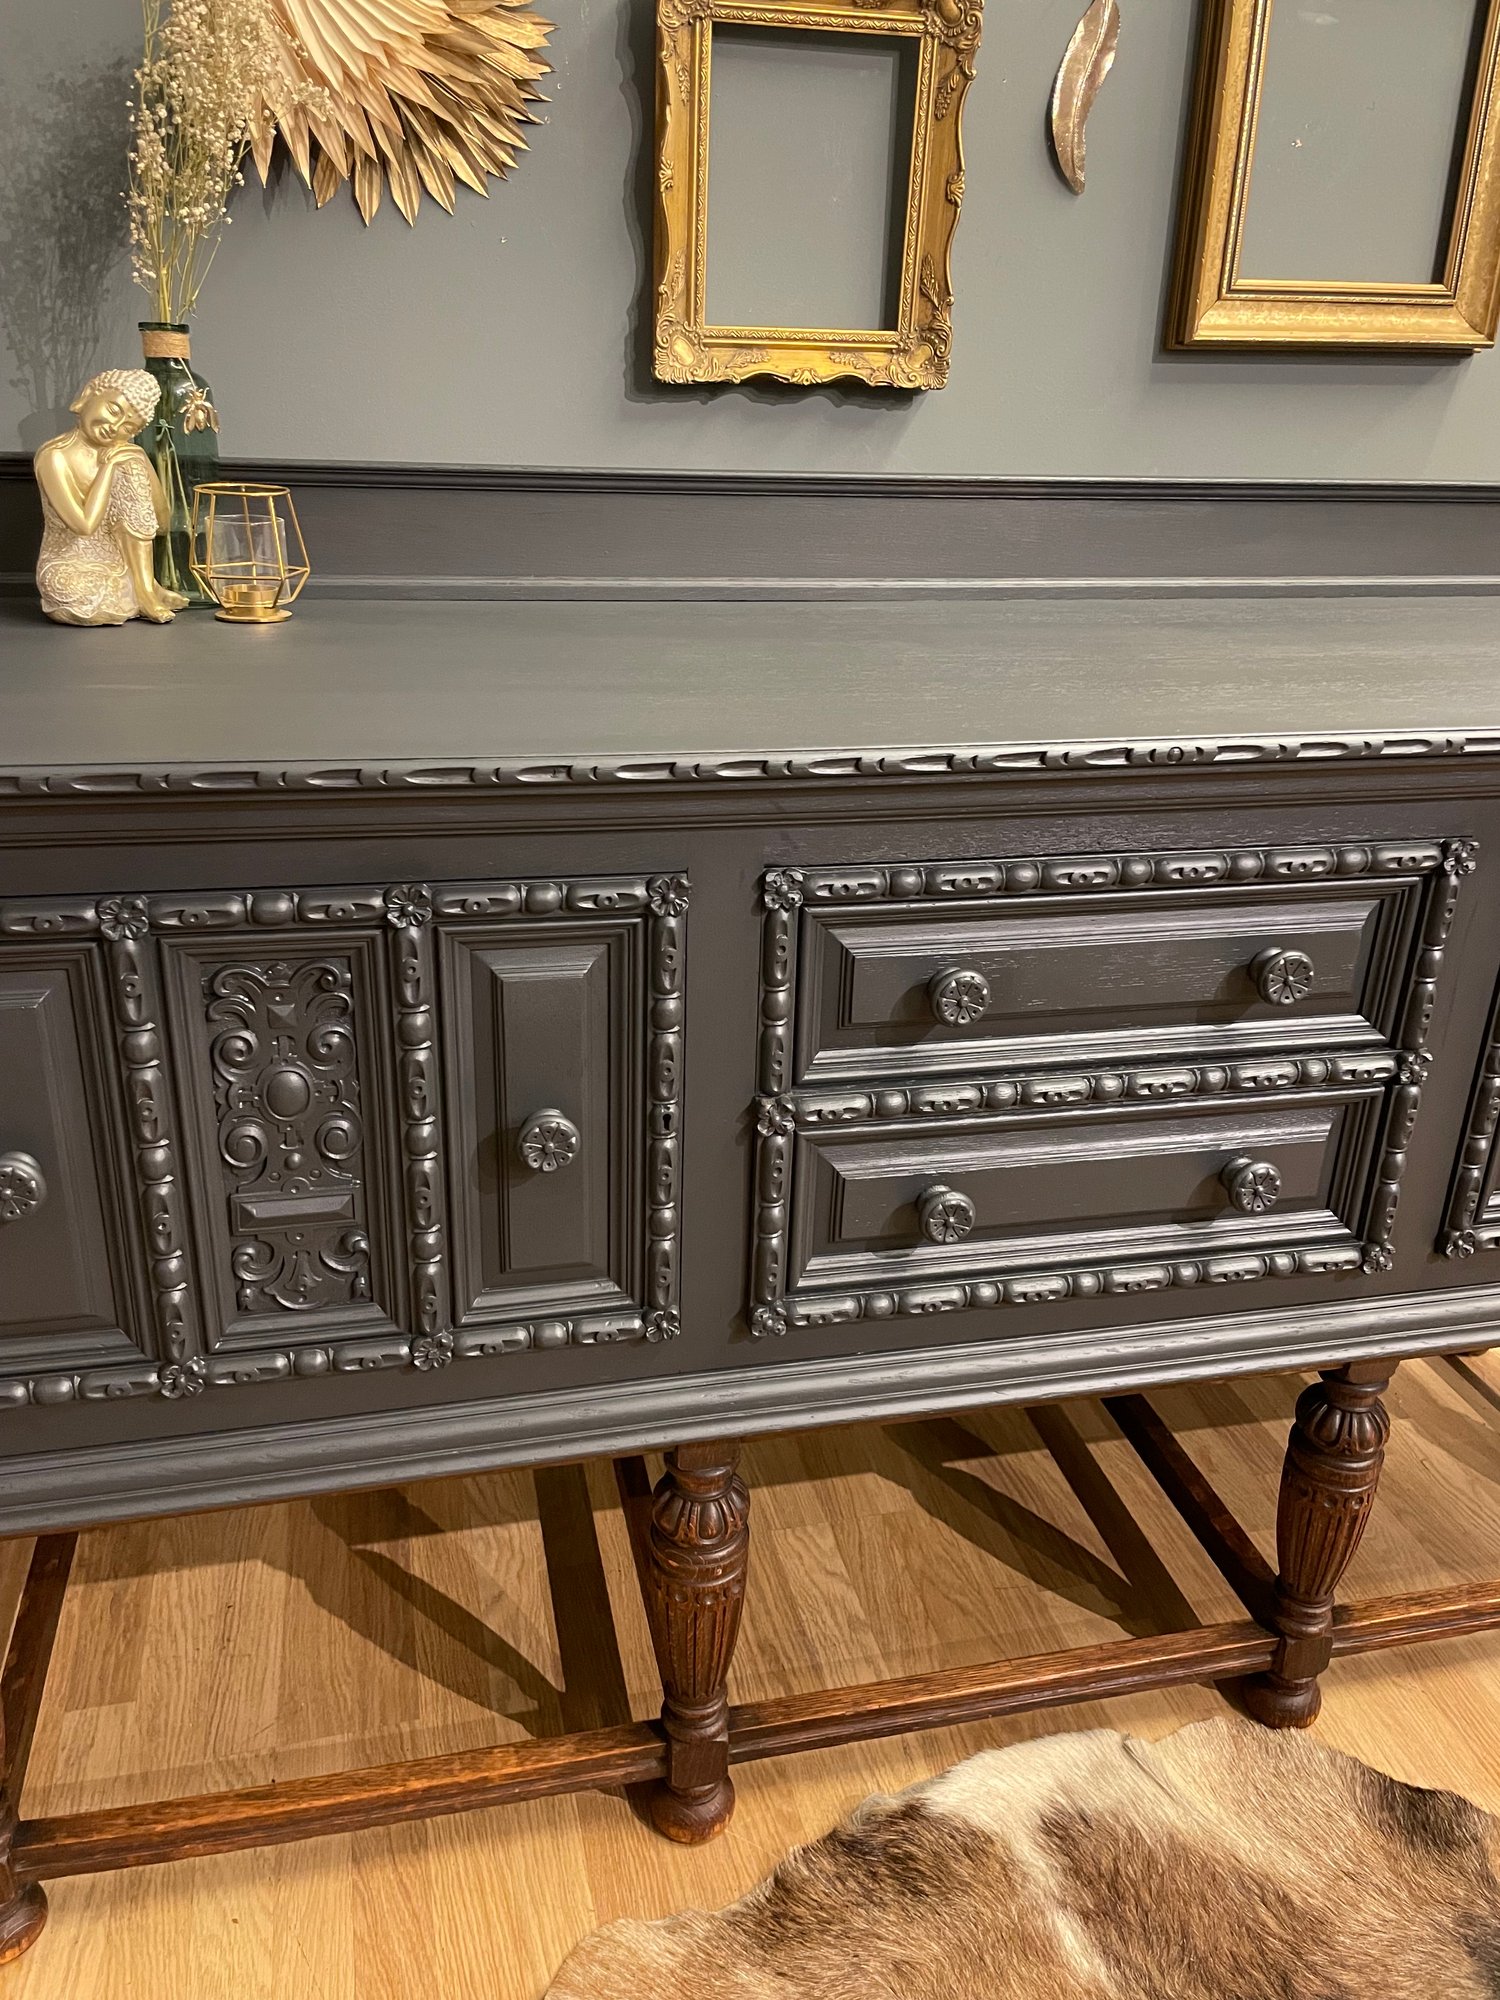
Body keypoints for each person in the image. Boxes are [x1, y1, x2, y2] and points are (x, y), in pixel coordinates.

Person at [32, 369, 188, 625]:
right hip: (72, 562)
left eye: (128, 427)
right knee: (68, 590)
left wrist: (141, 460)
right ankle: (138, 588)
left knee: (130, 464)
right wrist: (106, 470)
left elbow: (162, 525)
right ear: (88, 395)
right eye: (114, 411)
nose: (114, 428)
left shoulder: (123, 456)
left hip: (120, 560)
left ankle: (146, 588)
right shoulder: (54, 457)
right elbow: (84, 526)